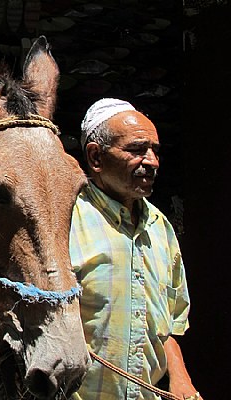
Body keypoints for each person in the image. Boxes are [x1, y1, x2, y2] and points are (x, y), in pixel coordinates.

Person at [69, 98, 202, 400]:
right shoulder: (66, 222)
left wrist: (181, 379)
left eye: (155, 151)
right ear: (95, 157)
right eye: (137, 149)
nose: (152, 161)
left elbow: (164, 326)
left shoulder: (160, 227)